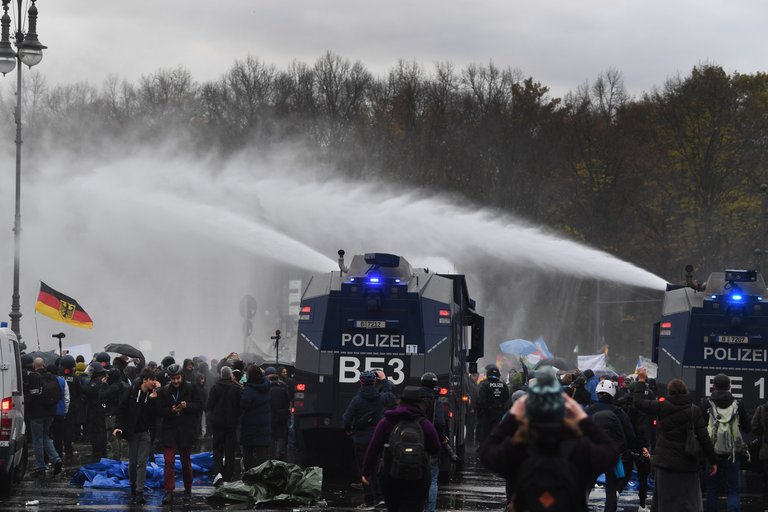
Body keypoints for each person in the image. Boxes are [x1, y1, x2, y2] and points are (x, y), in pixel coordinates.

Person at [480, 367, 617, 511]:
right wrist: (582, 418)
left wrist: (513, 416)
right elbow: (611, 454)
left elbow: (486, 453)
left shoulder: (518, 447)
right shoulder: (578, 448)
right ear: (564, 409)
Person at [633, 376, 718, 512]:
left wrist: (641, 381)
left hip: (665, 464)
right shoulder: (694, 410)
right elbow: (704, 439)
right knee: (689, 503)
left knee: (665, 503)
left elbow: (638, 402)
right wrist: (713, 461)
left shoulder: (662, 406)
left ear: (669, 391)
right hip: (688, 464)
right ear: (685, 391)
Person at [361, 386, 441, 512]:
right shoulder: (425, 424)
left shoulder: (386, 422)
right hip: (418, 477)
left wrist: (366, 472)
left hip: (390, 475)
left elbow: (373, 448)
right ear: (419, 403)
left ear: (401, 401)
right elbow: (435, 448)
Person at [700, 373, 751, 512]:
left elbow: (700, 427)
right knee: (733, 490)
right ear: (729, 386)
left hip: (712, 453)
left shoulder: (706, 403)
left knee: (712, 489)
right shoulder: (738, 404)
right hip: (733, 453)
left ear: (713, 386)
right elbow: (747, 428)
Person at [586, 379, 637, 512]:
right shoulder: (619, 412)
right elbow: (630, 434)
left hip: (592, 453)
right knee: (612, 488)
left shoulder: (589, 410)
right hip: (613, 454)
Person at [113, 367, 161, 505]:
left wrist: (153, 399)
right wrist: (118, 426)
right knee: (133, 463)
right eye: (152, 379)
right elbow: (122, 409)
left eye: (155, 379)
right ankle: (133, 487)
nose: (154, 382)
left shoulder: (154, 394)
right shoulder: (132, 392)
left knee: (142, 463)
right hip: (132, 433)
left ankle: (140, 492)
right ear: (144, 380)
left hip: (146, 433)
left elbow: (155, 414)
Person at [158, 363, 202, 505]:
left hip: (186, 430)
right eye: (173, 379)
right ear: (169, 378)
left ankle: (188, 490)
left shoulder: (191, 387)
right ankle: (169, 492)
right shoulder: (164, 391)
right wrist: (171, 410)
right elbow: (160, 411)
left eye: (178, 378)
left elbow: (200, 406)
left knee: (185, 462)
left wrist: (186, 406)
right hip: (170, 430)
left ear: (182, 376)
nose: (176, 381)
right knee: (168, 462)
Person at [342, 370, 386, 510]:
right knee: (375, 468)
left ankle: (369, 500)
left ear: (361, 381)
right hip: (376, 439)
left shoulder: (357, 400)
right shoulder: (381, 398)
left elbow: (347, 418)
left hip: (360, 440)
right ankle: (380, 497)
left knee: (364, 470)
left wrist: (349, 430)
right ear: (374, 382)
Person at [25, 357, 63, 478]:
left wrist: (27, 410)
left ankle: (40, 467)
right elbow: (59, 394)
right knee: (45, 436)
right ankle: (56, 458)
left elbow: (29, 395)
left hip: (36, 414)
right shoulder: (52, 377)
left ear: (34, 366)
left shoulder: (33, 377)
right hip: (50, 412)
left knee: (37, 440)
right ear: (44, 365)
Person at [206, 366, 242, 486]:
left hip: (218, 423)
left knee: (217, 449)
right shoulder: (237, 388)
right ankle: (228, 475)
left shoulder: (215, 388)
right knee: (230, 450)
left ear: (221, 375)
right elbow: (240, 405)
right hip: (231, 423)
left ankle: (218, 473)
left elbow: (209, 405)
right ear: (231, 375)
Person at [418, 372, 447, 512]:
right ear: (435, 385)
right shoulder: (436, 401)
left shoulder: (412, 400)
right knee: (433, 478)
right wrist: (442, 438)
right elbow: (440, 423)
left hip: (414, 442)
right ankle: (430, 509)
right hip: (431, 443)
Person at [240, 364, 272, 471]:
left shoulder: (249, 390)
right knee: (262, 456)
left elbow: (243, 405)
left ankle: (249, 478)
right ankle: (262, 478)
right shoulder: (266, 387)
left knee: (248, 454)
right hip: (264, 426)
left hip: (250, 427)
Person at [81, 361, 108, 461]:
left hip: (96, 409)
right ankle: (99, 452)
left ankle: (98, 453)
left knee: (97, 432)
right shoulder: (101, 379)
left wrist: (80, 383)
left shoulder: (97, 381)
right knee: (98, 431)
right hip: (98, 408)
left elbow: (88, 390)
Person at [476, 365, 509, 445]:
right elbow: (506, 398)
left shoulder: (484, 384)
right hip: (499, 412)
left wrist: (480, 410)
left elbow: (481, 399)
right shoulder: (503, 385)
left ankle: (484, 449)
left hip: (487, 413)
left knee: (485, 432)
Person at [101, 367, 129, 460]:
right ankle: (118, 456)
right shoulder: (125, 385)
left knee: (112, 436)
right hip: (122, 413)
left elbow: (102, 395)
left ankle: (116, 457)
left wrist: (104, 385)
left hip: (112, 413)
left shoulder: (113, 387)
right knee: (118, 436)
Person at [265, 367, 291, 461]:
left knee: (271, 435)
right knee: (281, 435)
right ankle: (279, 453)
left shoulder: (267, 391)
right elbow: (288, 402)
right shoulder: (283, 390)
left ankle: (271, 454)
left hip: (271, 415)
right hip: (282, 415)